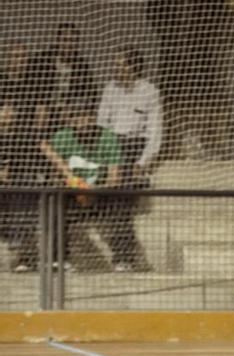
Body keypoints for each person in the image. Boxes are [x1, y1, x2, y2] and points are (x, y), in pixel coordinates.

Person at [39, 105, 146, 272]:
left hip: (101, 193)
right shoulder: (62, 137)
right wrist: (73, 181)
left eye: (87, 118)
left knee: (121, 205)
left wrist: (94, 190)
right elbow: (45, 148)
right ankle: (57, 259)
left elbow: (114, 176)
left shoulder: (107, 136)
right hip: (73, 194)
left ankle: (123, 259)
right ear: (70, 120)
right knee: (54, 205)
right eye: (77, 118)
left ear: (93, 118)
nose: (82, 123)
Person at [96, 46, 160, 271]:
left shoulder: (149, 91)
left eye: (120, 64)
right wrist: (103, 157)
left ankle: (123, 256)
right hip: (111, 145)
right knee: (113, 199)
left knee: (120, 199)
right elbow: (101, 125)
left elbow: (154, 131)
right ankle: (124, 255)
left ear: (133, 66)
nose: (116, 68)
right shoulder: (110, 89)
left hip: (135, 146)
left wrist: (143, 162)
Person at [0, 42, 40, 272]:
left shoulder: (32, 84)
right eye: (15, 55)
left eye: (23, 56)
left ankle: (22, 254)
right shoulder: (2, 81)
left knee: (23, 194)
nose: (20, 60)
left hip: (22, 155)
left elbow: (37, 124)